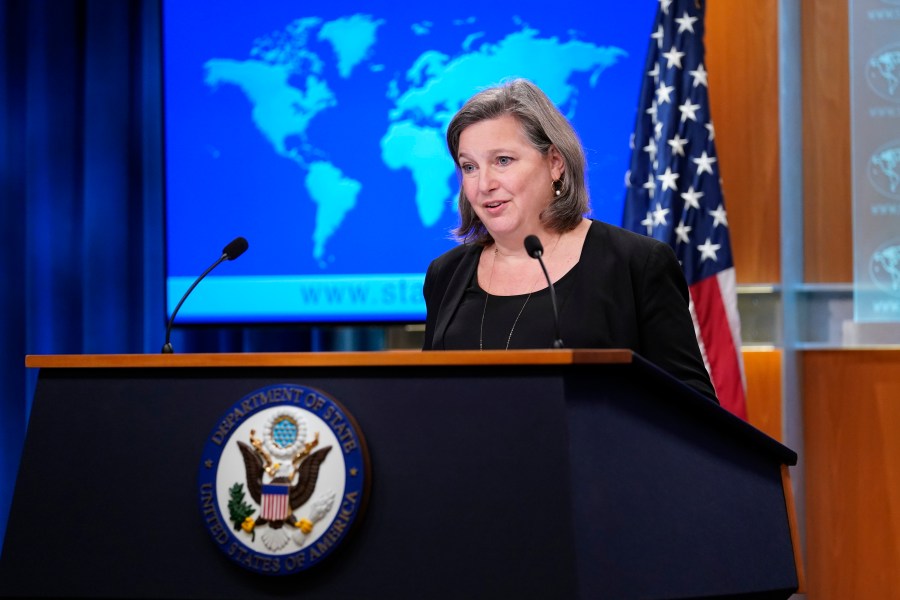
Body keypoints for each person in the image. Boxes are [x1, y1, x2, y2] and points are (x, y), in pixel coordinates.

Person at [422, 79, 718, 401]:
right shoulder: (446, 274)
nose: (484, 184)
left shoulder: (636, 264)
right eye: (469, 167)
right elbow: (428, 399)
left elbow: (694, 409)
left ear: (555, 163)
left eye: (503, 161)